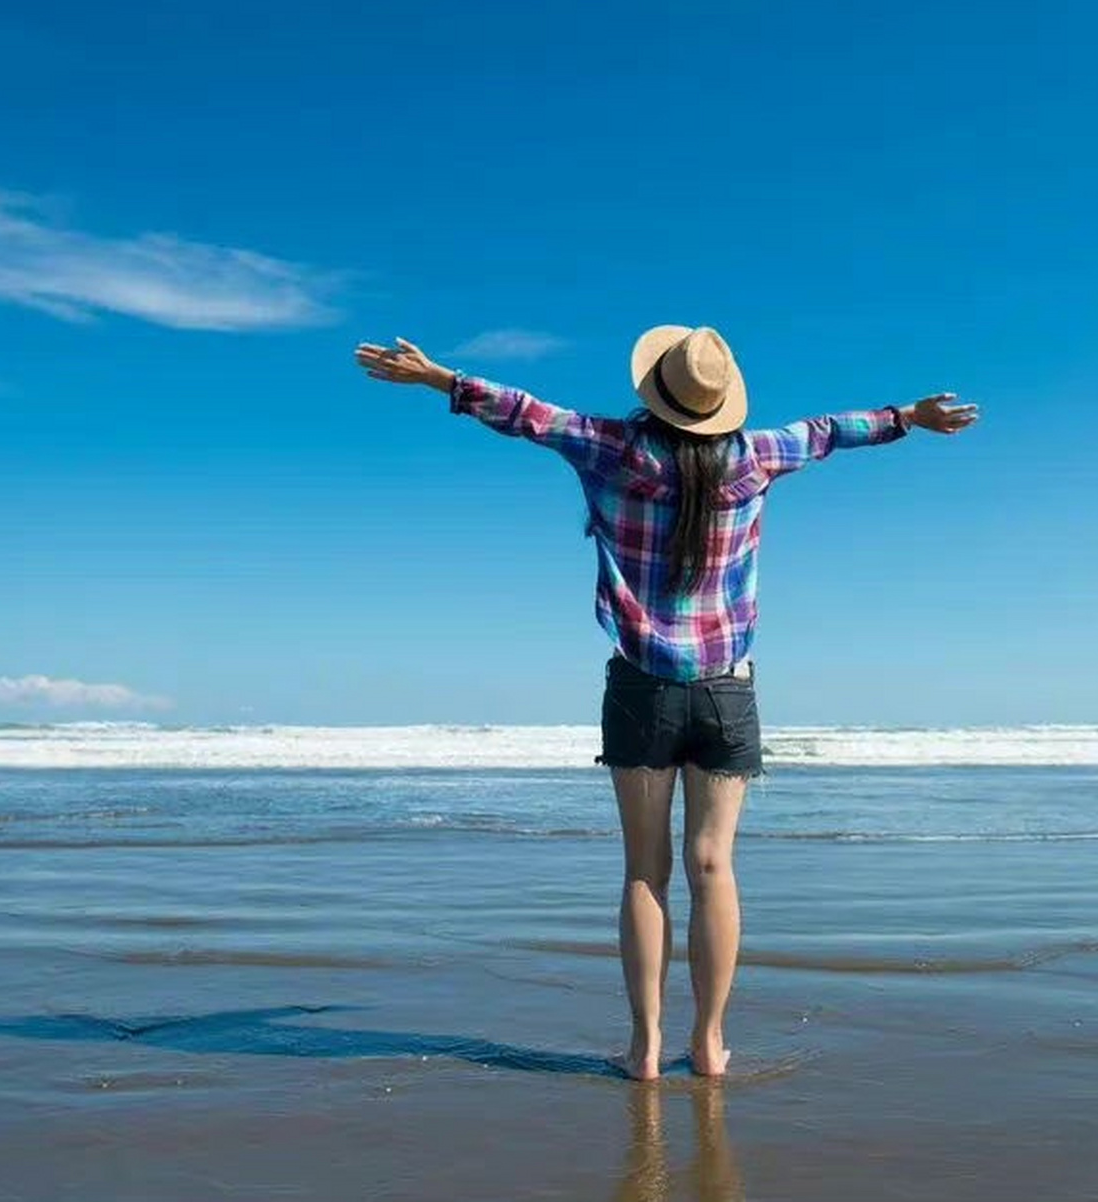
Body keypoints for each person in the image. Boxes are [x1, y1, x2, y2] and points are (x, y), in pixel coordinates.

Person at [356, 325, 978, 1080]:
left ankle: (645, 1047)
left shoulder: (611, 449)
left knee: (645, 873)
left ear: (656, 393)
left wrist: (435, 377)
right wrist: (909, 417)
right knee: (713, 868)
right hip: (726, 691)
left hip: (641, 687)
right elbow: (829, 432)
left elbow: (523, 411)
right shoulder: (756, 457)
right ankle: (710, 1044)